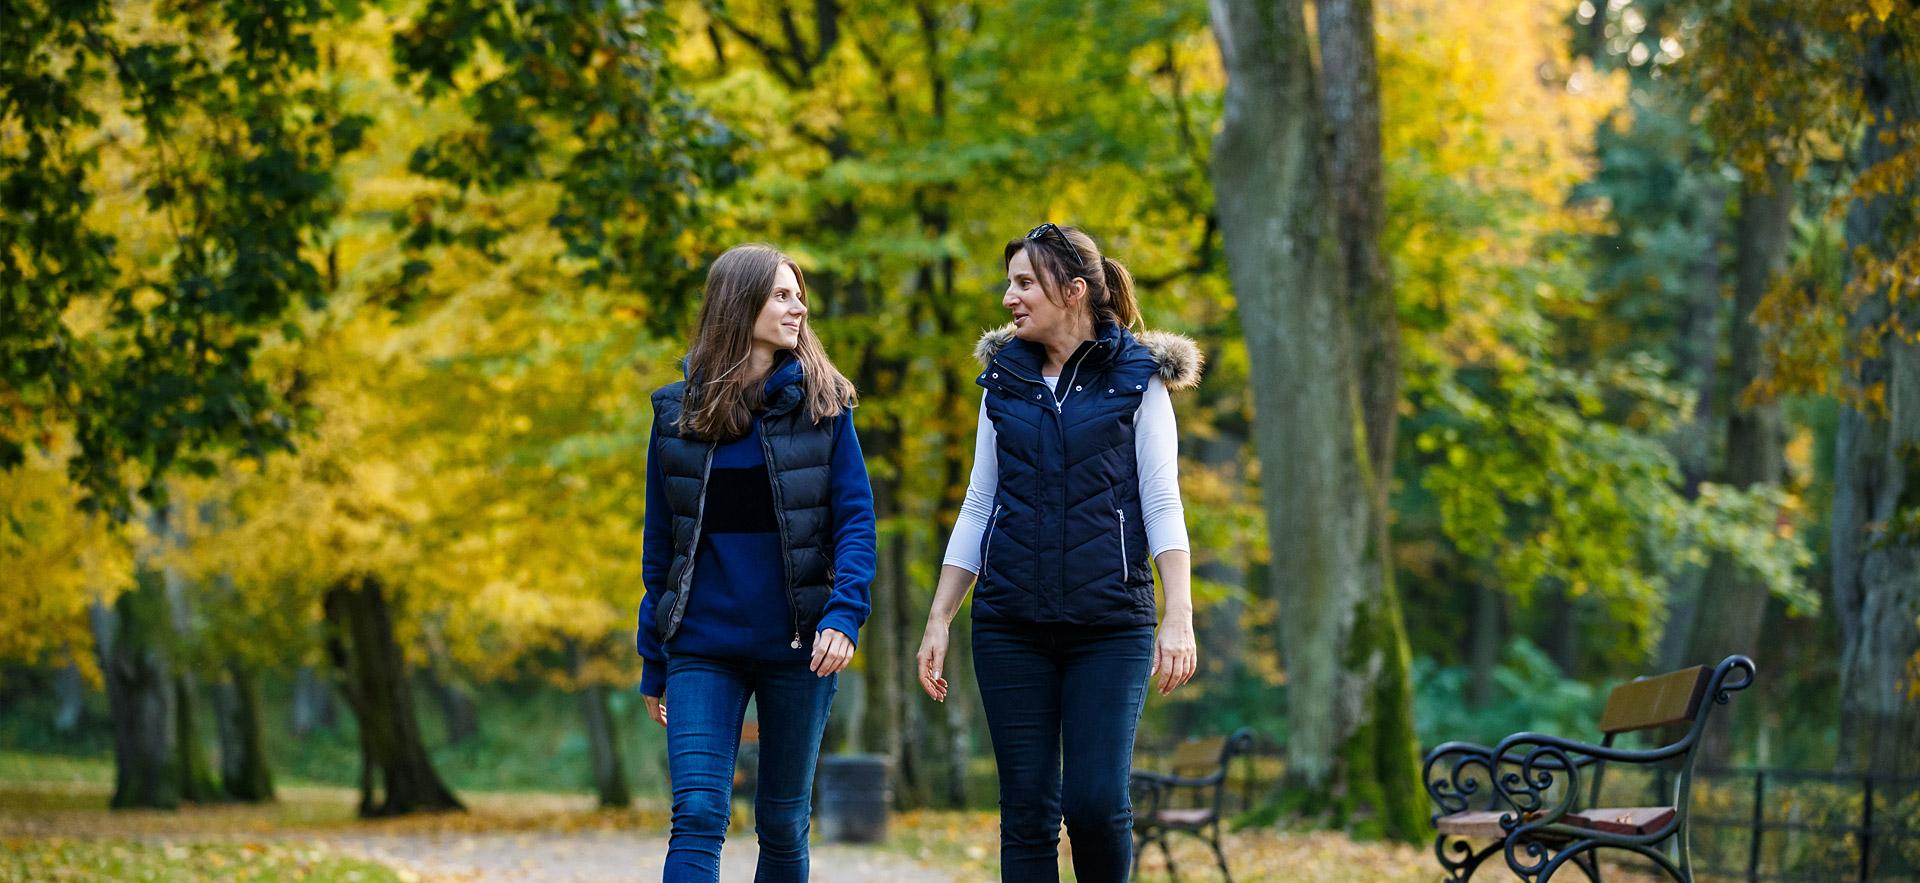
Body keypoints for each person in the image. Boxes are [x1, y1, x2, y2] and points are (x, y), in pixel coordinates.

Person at [916, 223, 1202, 882]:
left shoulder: (1138, 378)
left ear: (1074, 290)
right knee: (1026, 815)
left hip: (1110, 626)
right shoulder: (1002, 380)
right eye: (1009, 281)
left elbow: (1162, 502)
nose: (1008, 296)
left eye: (1023, 282)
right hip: (1009, 625)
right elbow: (978, 504)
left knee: (1096, 803)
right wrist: (940, 615)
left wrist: (1178, 613)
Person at [636, 243, 876, 882]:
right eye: (781, 294)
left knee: (781, 819)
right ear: (738, 303)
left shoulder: (825, 408)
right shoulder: (674, 413)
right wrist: (652, 656)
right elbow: (663, 543)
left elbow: (855, 522)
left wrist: (845, 616)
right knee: (695, 813)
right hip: (700, 646)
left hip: (800, 645)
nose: (798, 307)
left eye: (799, 294)